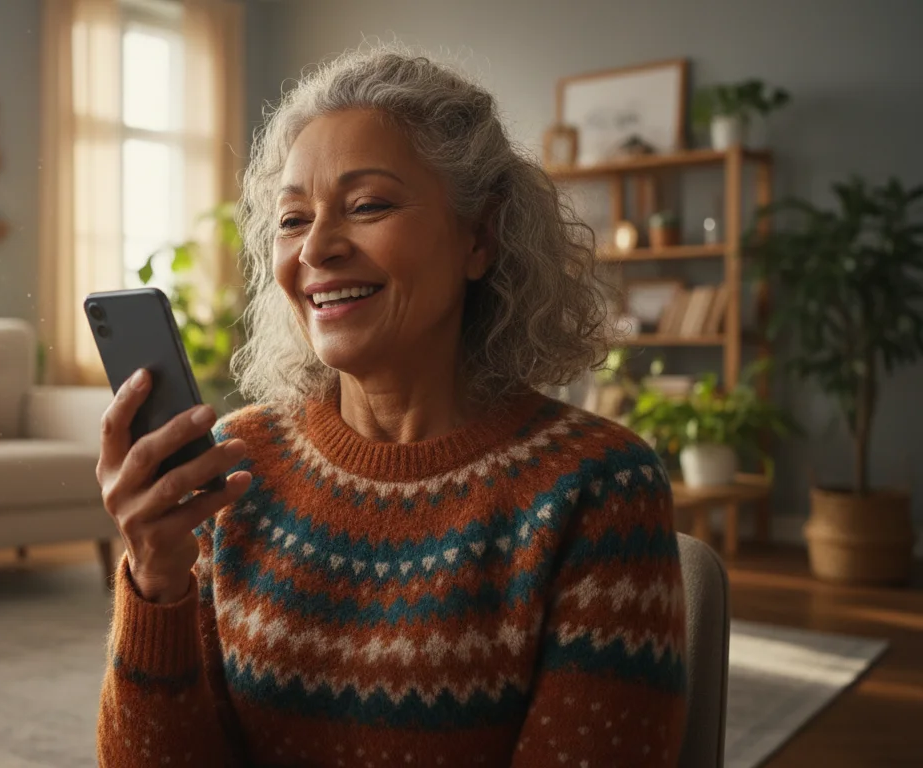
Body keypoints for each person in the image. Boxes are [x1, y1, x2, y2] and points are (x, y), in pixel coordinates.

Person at [94, 44, 686, 767]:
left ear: (480, 236)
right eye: (291, 219)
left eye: (368, 205)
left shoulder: (598, 488)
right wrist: (156, 584)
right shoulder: (235, 466)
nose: (316, 249)